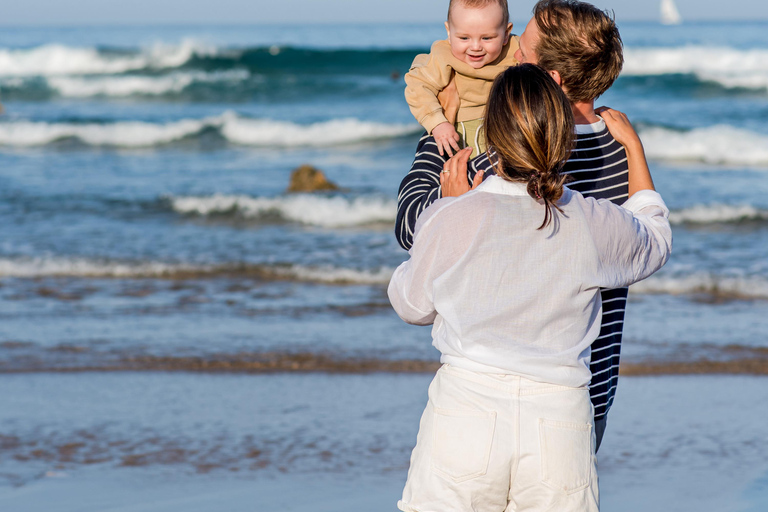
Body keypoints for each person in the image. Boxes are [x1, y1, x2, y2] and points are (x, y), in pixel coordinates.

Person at [388, 63, 671, 512]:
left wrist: (442, 210)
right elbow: (655, 242)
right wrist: (634, 150)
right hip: (559, 420)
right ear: (562, 135)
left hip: (465, 414)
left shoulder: (456, 215)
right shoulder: (590, 220)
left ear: (492, 136)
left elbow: (409, 303)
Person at [396, 0, 628, 451]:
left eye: (525, 49)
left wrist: (437, 133)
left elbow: (413, 228)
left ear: (551, 79)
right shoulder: (620, 149)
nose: (514, 52)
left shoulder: (510, 162)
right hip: (586, 395)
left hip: (497, 398)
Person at [404, 0, 519, 158]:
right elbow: (417, 86)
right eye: (464, 38)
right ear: (449, 32)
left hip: (508, 137)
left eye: (487, 38)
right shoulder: (443, 55)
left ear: (506, 34)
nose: (476, 46)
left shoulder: (517, 51)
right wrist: (437, 123)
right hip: (461, 138)